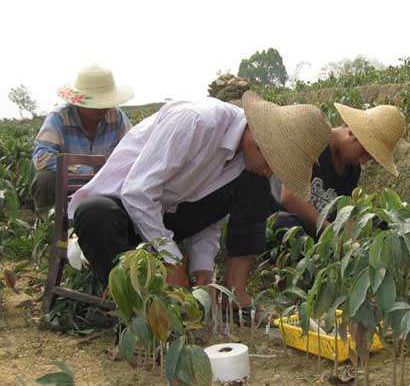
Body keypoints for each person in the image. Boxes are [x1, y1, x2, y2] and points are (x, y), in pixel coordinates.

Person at [68, 91, 332, 309]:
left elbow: (208, 213)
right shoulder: (196, 122)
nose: (270, 172)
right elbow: (137, 192)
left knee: (254, 182)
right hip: (123, 210)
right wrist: (170, 259)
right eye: (273, 163)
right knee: (95, 214)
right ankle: (134, 310)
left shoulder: (243, 160)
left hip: (163, 216)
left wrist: (202, 270)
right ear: (260, 140)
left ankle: (226, 295)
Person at [271, 102, 406, 237]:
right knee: (285, 226)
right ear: (353, 132)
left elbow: (342, 212)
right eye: (365, 152)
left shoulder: (352, 169)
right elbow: (289, 197)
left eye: (370, 158)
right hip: (279, 219)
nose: (364, 161)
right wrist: (331, 234)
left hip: (316, 232)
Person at [31, 64, 133, 214]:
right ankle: (50, 225)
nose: (102, 107)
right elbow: (42, 157)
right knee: (45, 180)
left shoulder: (116, 117)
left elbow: (133, 150)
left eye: (104, 101)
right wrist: (85, 170)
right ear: (77, 101)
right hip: (69, 180)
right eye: (96, 103)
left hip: (106, 182)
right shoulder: (59, 117)